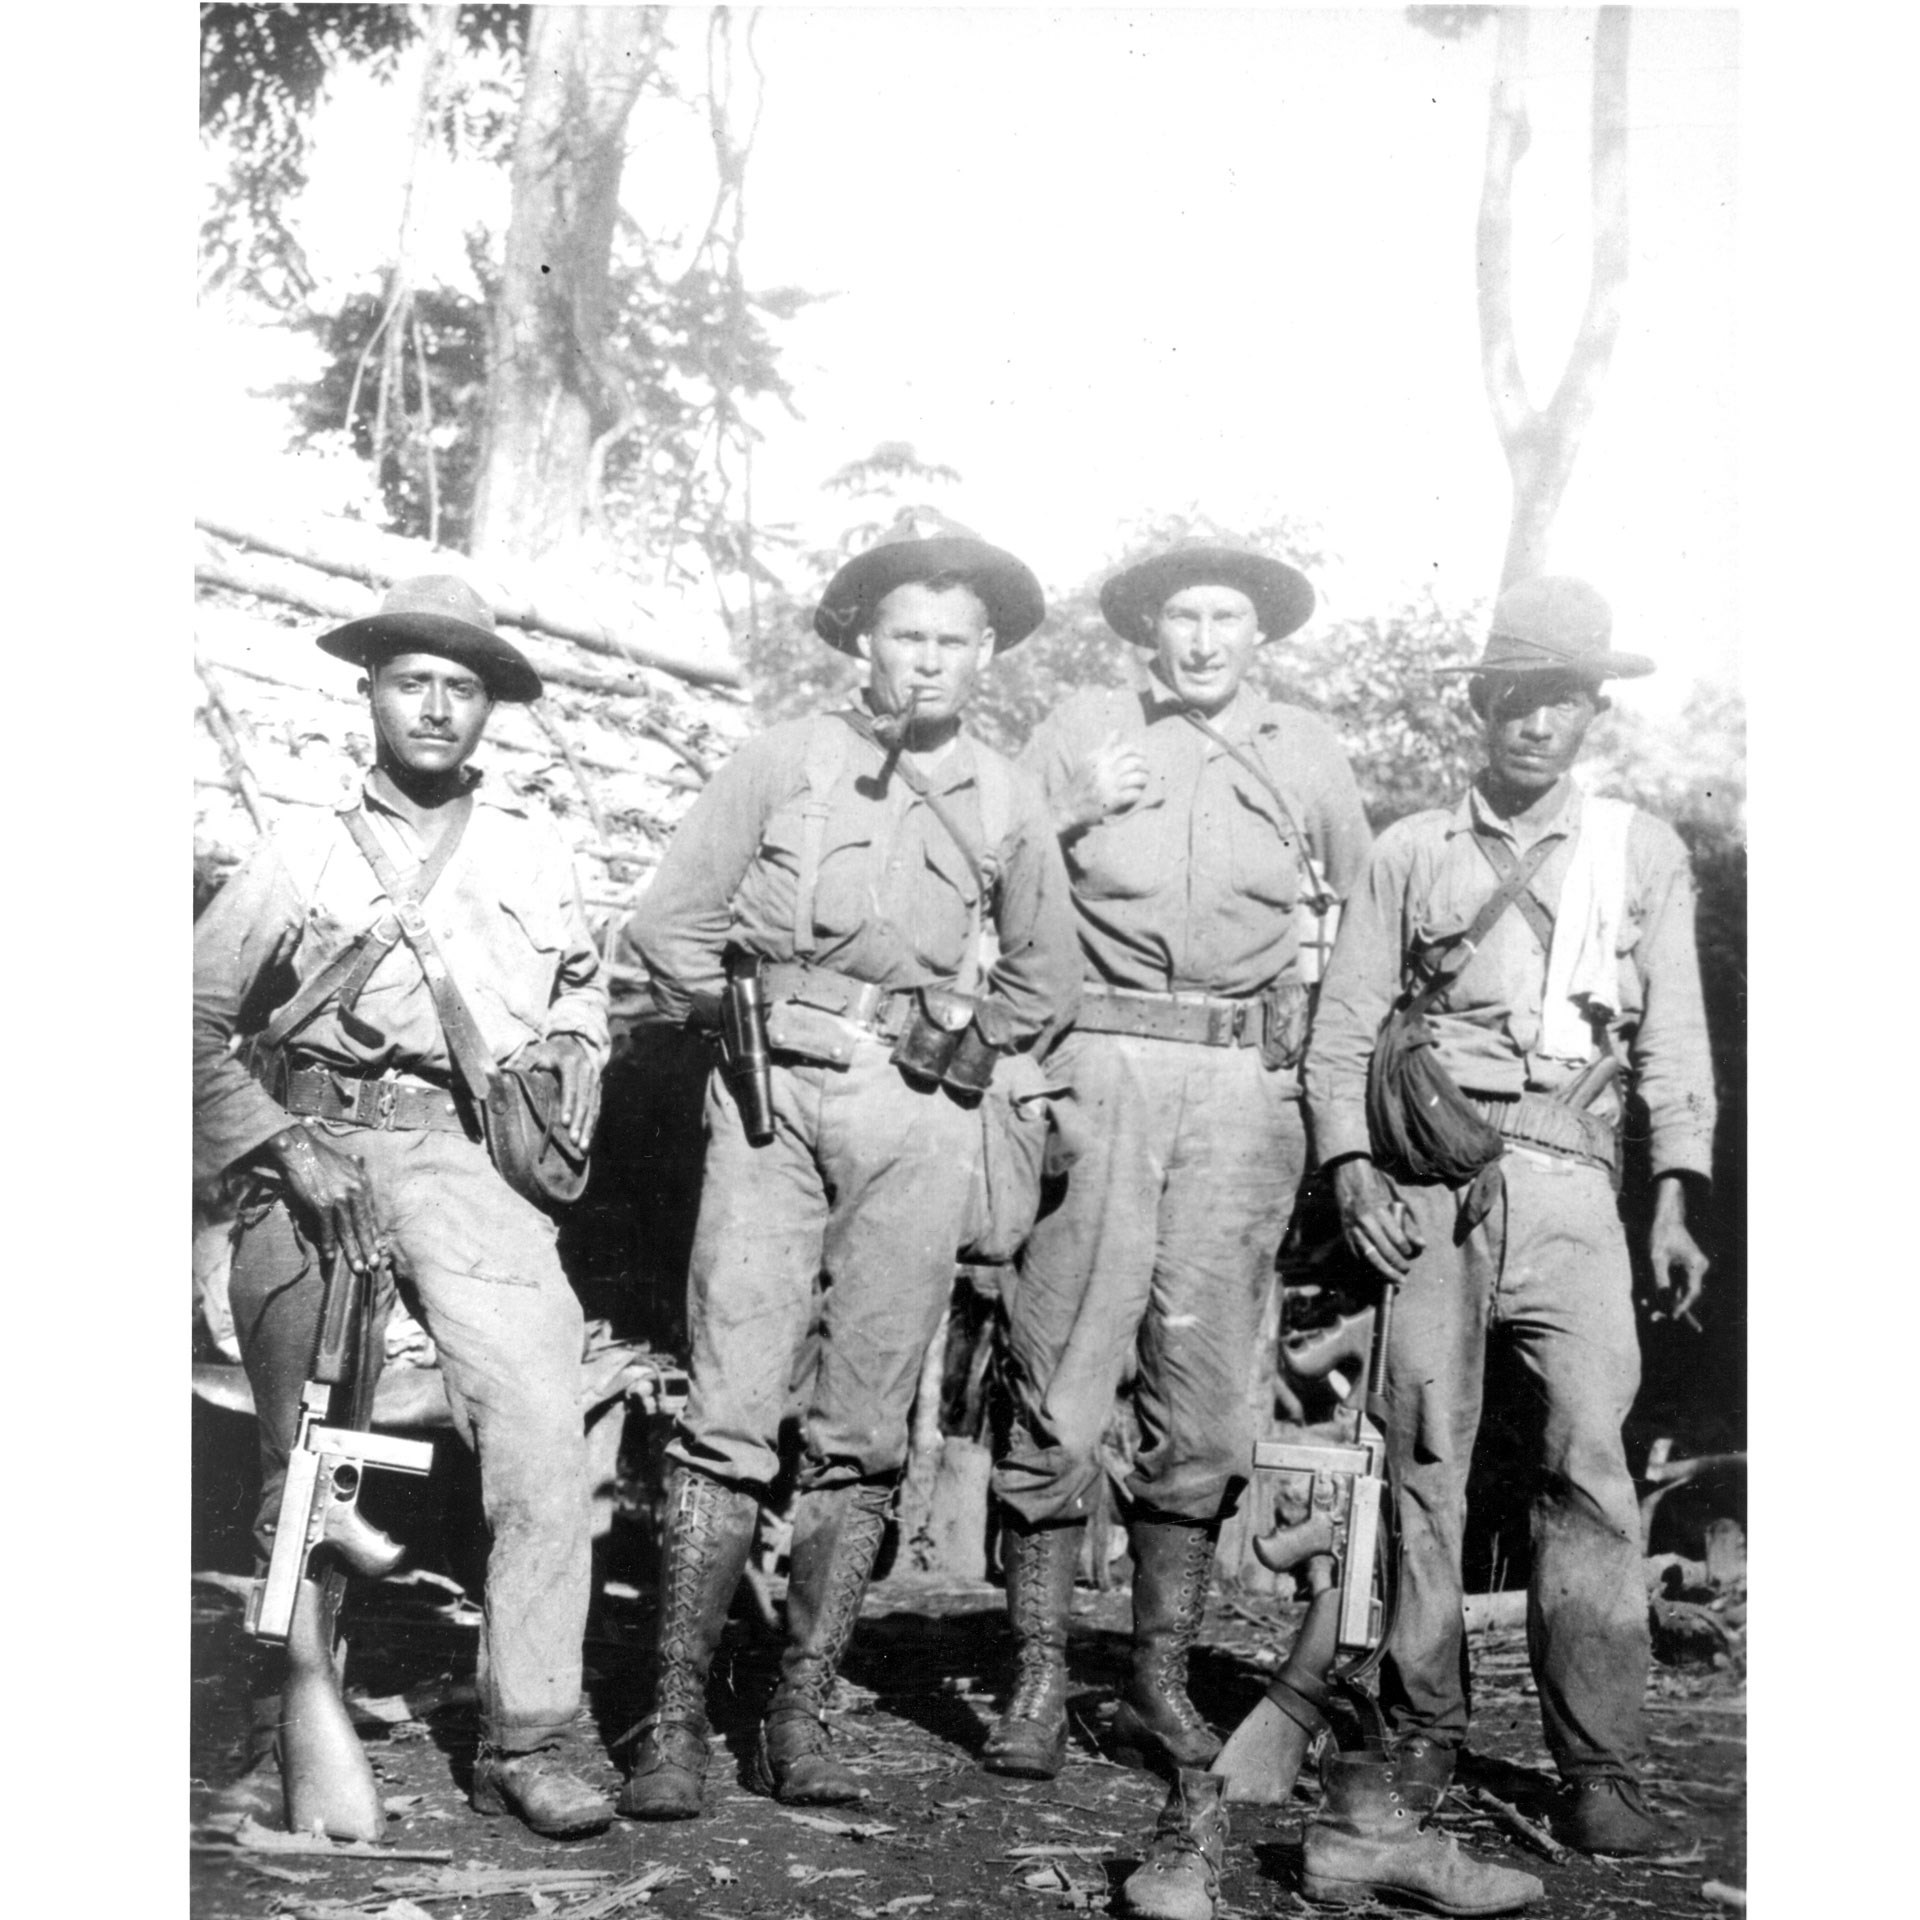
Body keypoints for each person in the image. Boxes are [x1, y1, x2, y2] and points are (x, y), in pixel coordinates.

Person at [618, 531, 1081, 1821]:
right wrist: (742, 1027)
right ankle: (671, 1719)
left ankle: (800, 1706)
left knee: (867, 1420)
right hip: (769, 1096)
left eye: (952, 641)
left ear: (982, 657)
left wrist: (968, 1039)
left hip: (920, 1111)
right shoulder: (780, 759)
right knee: (728, 1405)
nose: (926, 660)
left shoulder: (1003, 792)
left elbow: (1048, 974)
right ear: (864, 640)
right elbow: (667, 925)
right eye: (905, 635)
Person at [1303, 575, 1715, 1867]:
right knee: (1424, 1457)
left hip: (1577, 1191)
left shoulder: (1640, 854)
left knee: (1589, 1469)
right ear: (1480, 708)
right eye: (1514, 699)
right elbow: (1340, 1036)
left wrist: (1676, 1194)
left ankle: (1597, 1765)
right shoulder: (1411, 849)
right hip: (1430, 1186)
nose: (1534, 725)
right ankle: (1421, 1736)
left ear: (1593, 714)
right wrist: (1352, 1173)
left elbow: (1675, 1045)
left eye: (1561, 702)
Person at [193, 576, 614, 1839]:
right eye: (410, 682)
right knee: (309, 1458)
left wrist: (568, 1066)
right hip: (313, 1150)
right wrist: (280, 1144)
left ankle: (528, 1737)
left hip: (462, 1162)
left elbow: (585, 995)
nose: (436, 707)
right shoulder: (304, 846)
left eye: (463, 688)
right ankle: (284, 1728)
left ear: (489, 710)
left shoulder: (538, 852)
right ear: (369, 694)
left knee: (545, 1430)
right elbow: (187, 1016)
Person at [985, 545, 1372, 1782]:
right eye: (1183, 617)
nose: (1203, 640)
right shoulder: (1082, 723)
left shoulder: (1305, 746)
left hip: (1244, 1086)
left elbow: (1370, 921)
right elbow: (977, 869)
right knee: (1062, 1369)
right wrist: (1067, 812)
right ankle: (1039, 1682)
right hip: (1097, 1061)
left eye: (1229, 619)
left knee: (1204, 1398)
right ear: (1149, 627)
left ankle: (1156, 1681)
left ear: (1261, 637)